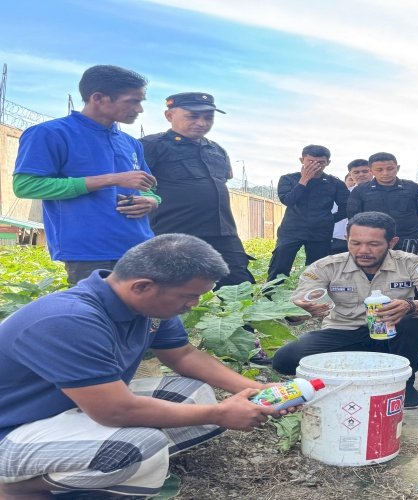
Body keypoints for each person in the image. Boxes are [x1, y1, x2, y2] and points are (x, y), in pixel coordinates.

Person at [0, 234, 285, 498]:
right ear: (142, 286)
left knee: (194, 392)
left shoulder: (150, 306)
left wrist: (256, 388)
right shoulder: (69, 319)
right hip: (12, 430)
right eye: (188, 296)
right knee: (139, 445)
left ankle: (114, 463)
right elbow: (115, 410)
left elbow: (183, 355)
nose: (194, 303)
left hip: (67, 410)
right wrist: (220, 414)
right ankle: (16, 487)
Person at [271, 212, 418, 408]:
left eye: (374, 244)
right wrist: (301, 311)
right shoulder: (327, 266)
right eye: (355, 243)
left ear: (392, 242)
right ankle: (355, 368)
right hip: (343, 332)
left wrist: (412, 306)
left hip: (391, 333)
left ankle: (404, 384)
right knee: (284, 360)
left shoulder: (410, 263)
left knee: (411, 321)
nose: (363, 251)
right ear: (346, 239)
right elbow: (298, 303)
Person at [12, 65, 159, 285]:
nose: (139, 109)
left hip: (138, 246)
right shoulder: (51, 133)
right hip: (89, 252)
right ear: (98, 98)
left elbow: (150, 190)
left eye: (140, 102)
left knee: (146, 315)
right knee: (100, 315)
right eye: (132, 101)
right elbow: (26, 186)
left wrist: (151, 201)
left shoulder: (130, 143)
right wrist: (112, 179)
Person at [141, 92, 253, 288]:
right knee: (172, 288)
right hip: (175, 233)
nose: (202, 122)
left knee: (239, 286)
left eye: (208, 117)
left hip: (222, 232)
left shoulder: (217, 150)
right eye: (193, 116)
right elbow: (134, 185)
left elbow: (223, 181)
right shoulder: (151, 146)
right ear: (169, 116)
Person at [268, 144, 350, 283]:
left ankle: (313, 296)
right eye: (311, 162)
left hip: (320, 231)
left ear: (328, 163)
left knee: (317, 267)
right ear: (302, 160)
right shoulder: (288, 179)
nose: (316, 166)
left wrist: (329, 219)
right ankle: (271, 297)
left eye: (321, 163)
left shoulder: (334, 183)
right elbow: (288, 200)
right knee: (280, 264)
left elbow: (346, 207)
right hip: (291, 229)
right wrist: (304, 180)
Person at [346, 152, 418, 256]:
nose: (385, 173)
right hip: (374, 242)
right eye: (379, 170)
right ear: (371, 171)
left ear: (397, 168)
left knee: (410, 270)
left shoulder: (413, 188)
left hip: (409, 240)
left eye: (390, 169)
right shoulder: (360, 191)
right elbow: (354, 217)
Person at [331, 159, 372, 256]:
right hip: (341, 238)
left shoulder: (381, 192)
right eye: (356, 172)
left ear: (372, 171)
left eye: (365, 171)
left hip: (372, 238)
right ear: (350, 174)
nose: (361, 174)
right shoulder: (343, 193)